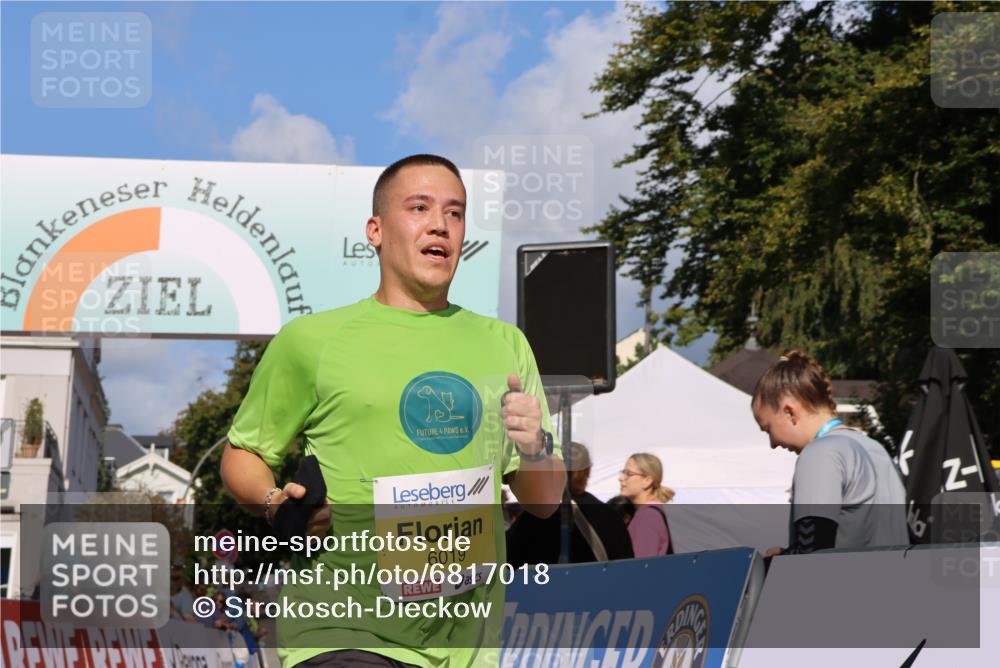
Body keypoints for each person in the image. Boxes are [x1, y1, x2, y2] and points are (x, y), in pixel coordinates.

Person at [219, 154, 566, 668]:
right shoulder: (312, 341)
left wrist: (534, 445)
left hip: (464, 642)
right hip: (342, 627)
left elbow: (543, 502)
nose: (439, 225)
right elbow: (243, 452)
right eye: (419, 207)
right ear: (375, 230)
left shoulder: (504, 345)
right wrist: (275, 501)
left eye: (454, 213)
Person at [752, 349, 908, 556]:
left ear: (789, 412)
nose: (772, 443)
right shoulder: (876, 449)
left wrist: (776, 560)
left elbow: (811, 554)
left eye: (768, 428)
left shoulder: (820, 453)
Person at [506, 442, 633, 566]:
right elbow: (627, 564)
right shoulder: (610, 515)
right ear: (588, 470)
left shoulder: (541, 514)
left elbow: (508, 558)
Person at [619, 453, 674, 557]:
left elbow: (642, 567)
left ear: (647, 481)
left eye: (628, 474)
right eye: (623, 472)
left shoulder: (647, 516)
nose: (621, 478)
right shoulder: (653, 511)